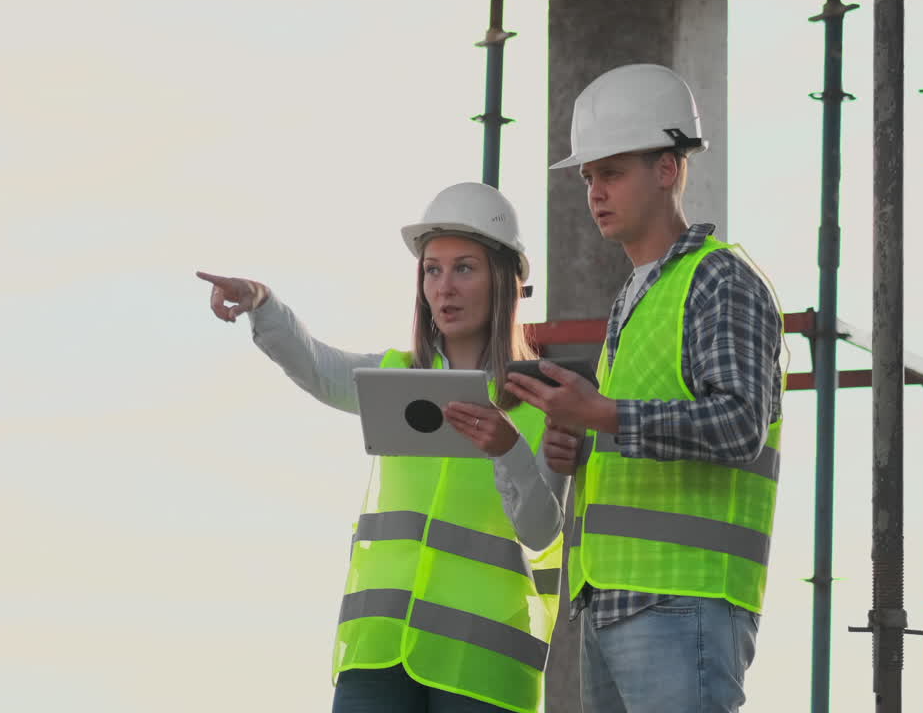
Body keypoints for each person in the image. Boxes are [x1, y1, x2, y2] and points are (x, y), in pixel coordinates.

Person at [197, 181, 567, 713]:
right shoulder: (397, 378)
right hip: (378, 655)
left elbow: (540, 531)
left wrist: (508, 450)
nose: (445, 287)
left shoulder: (541, 404)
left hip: (483, 667)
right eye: (432, 270)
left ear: (504, 280)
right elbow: (321, 370)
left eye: (465, 268)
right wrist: (264, 305)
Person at [506, 64, 785, 713]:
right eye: (588, 177)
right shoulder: (633, 299)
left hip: (684, 604)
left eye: (613, 171)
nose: (595, 192)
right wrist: (577, 443)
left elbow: (741, 423)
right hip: (611, 598)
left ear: (667, 169)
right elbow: (631, 429)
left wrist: (601, 412)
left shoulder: (721, 280)